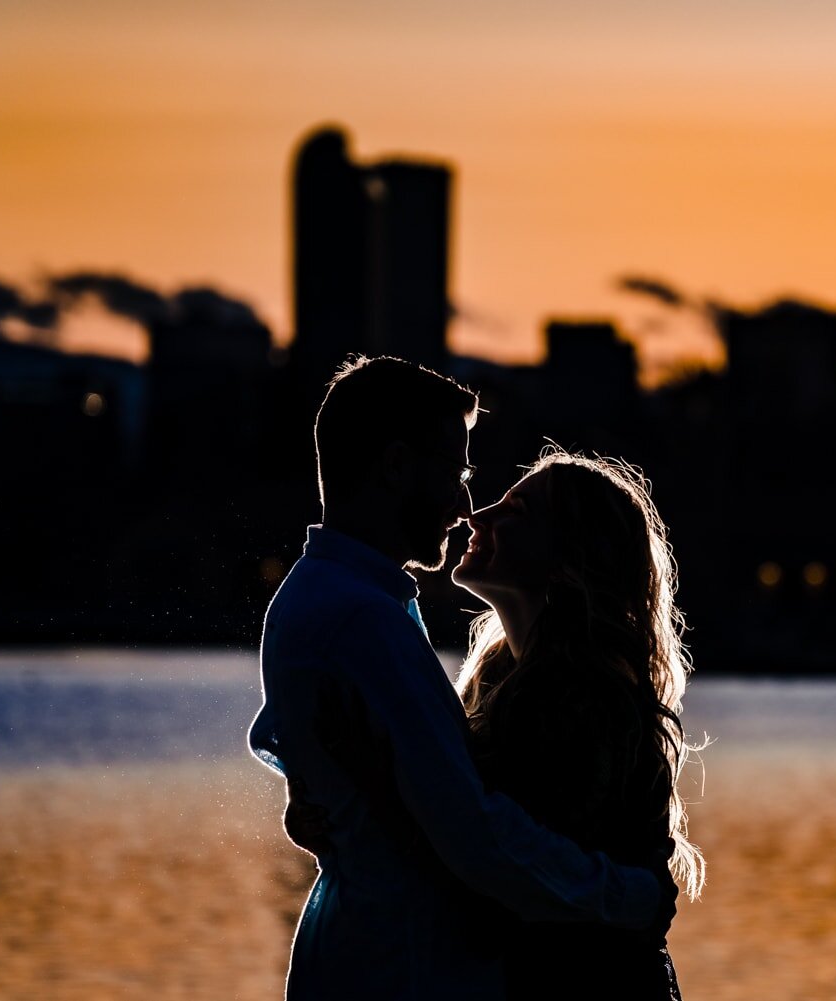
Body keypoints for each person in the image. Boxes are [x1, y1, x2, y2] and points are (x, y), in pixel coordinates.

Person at [248, 356, 673, 1000]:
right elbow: (472, 834)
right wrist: (635, 898)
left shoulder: (358, 605)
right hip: (399, 970)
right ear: (395, 467)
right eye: (456, 472)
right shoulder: (363, 618)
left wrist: (354, 800)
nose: (469, 506)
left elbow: (459, 820)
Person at [450, 449, 704, 1000]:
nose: (479, 516)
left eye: (514, 511)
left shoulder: (583, 700)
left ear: (568, 560)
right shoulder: (504, 680)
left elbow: (504, 853)